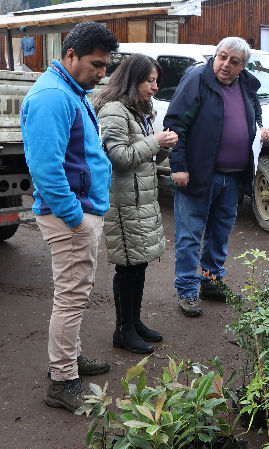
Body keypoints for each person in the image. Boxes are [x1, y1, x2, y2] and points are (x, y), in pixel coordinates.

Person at [20, 21, 119, 413]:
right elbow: (45, 168)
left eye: (105, 66)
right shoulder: (52, 97)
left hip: (78, 212)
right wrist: (75, 218)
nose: (101, 73)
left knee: (74, 295)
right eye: (96, 64)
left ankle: (70, 359)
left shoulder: (69, 90)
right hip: (70, 218)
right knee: (71, 298)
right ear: (70, 55)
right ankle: (62, 381)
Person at [163, 36, 269, 317]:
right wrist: (178, 166)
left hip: (232, 178)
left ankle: (211, 282)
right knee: (189, 236)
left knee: (219, 235)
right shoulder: (198, 79)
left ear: (242, 66)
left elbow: (255, 114)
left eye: (233, 61)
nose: (225, 64)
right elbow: (175, 124)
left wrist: (260, 129)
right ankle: (186, 290)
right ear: (215, 56)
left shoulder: (246, 84)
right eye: (222, 57)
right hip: (199, 174)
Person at [93, 54, 178, 355]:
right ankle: (123, 330)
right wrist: (156, 142)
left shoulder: (138, 110)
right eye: (150, 81)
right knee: (127, 269)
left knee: (138, 266)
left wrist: (164, 147)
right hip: (123, 203)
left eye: (157, 81)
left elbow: (147, 160)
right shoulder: (114, 111)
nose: (155, 87)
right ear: (132, 80)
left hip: (140, 201)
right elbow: (120, 158)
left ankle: (134, 322)